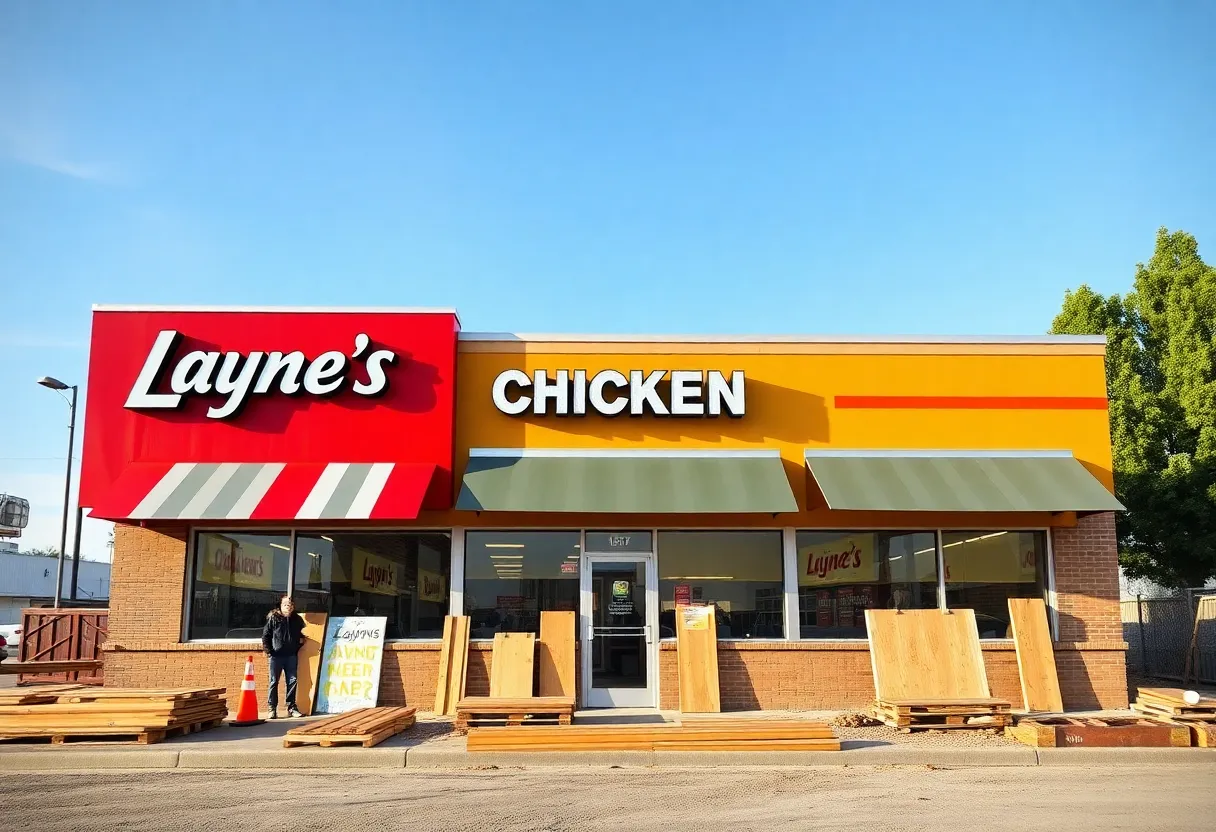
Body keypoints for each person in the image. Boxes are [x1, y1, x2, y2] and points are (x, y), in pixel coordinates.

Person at [261, 595, 306, 719]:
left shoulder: (296, 619)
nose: (288, 606)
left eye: (291, 604)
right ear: (280, 605)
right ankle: (272, 708)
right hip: (276, 656)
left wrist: (299, 644)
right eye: (286, 604)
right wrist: (269, 651)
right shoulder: (274, 618)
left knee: (292, 681)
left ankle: (291, 707)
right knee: (274, 681)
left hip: (291, 656)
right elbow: (266, 635)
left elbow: (301, 634)